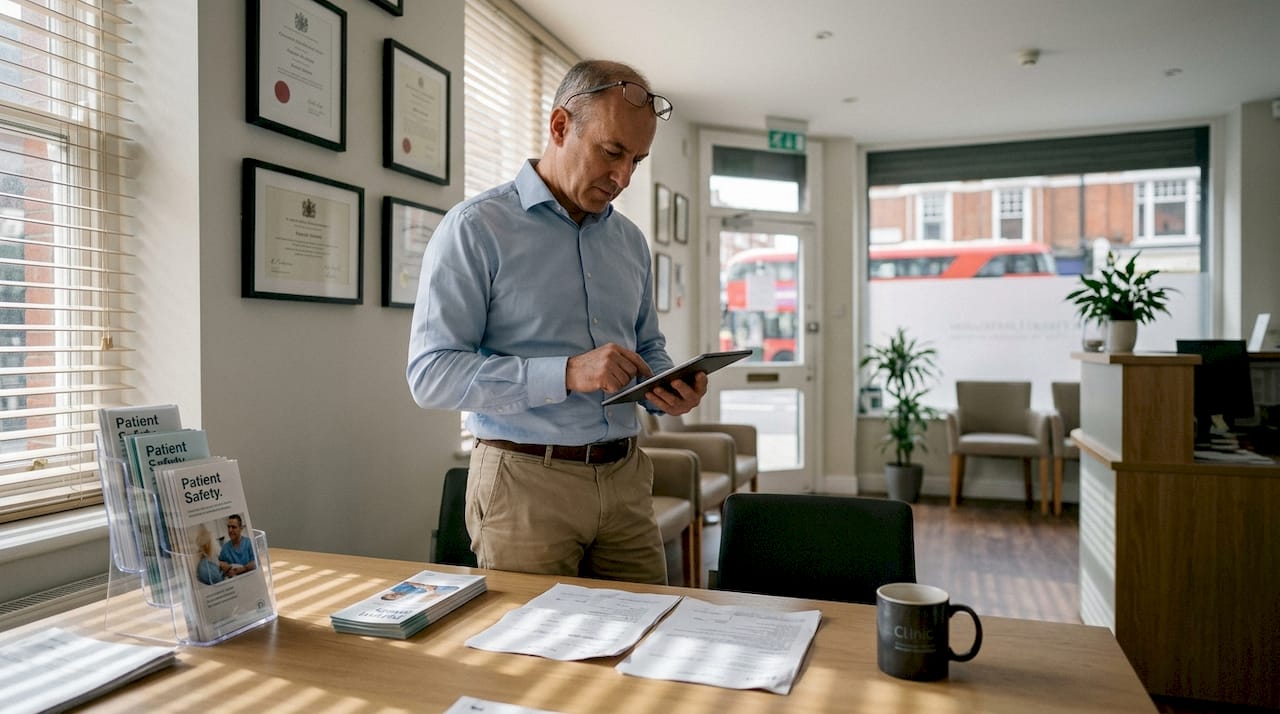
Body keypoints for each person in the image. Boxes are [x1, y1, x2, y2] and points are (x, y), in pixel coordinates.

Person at [407, 60, 706, 585]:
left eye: (636, 160)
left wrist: (666, 384)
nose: (623, 178)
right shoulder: (476, 228)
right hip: (525, 485)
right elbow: (431, 374)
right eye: (612, 152)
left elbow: (648, 346)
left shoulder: (631, 242)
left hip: (628, 479)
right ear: (560, 126)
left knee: (649, 648)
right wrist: (567, 372)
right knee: (534, 662)